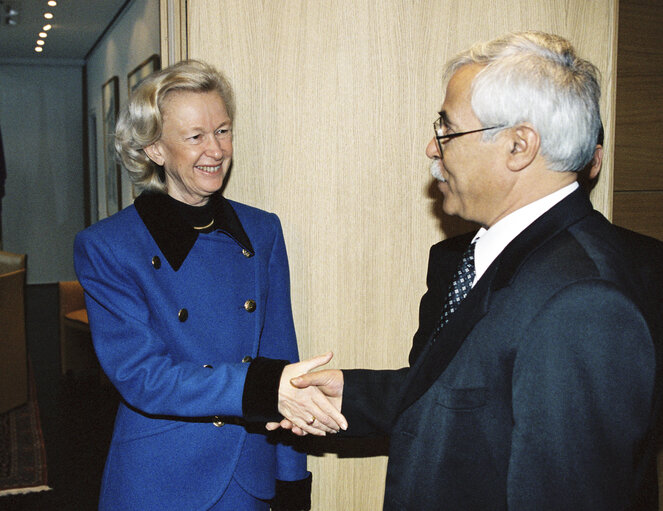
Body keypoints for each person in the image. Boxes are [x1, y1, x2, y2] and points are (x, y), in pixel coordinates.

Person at [273, 32, 663, 509]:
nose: (433, 150)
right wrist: (349, 394)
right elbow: (473, 396)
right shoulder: (510, 250)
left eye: (448, 130)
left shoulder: (582, 301)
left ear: (519, 146)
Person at [74, 60, 345, 511]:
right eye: (195, 136)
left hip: (246, 472)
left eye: (223, 130)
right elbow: (144, 377)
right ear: (156, 150)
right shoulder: (108, 246)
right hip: (159, 477)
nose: (215, 150)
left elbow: (282, 356)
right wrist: (259, 389)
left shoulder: (261, 231)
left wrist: (291, 479)